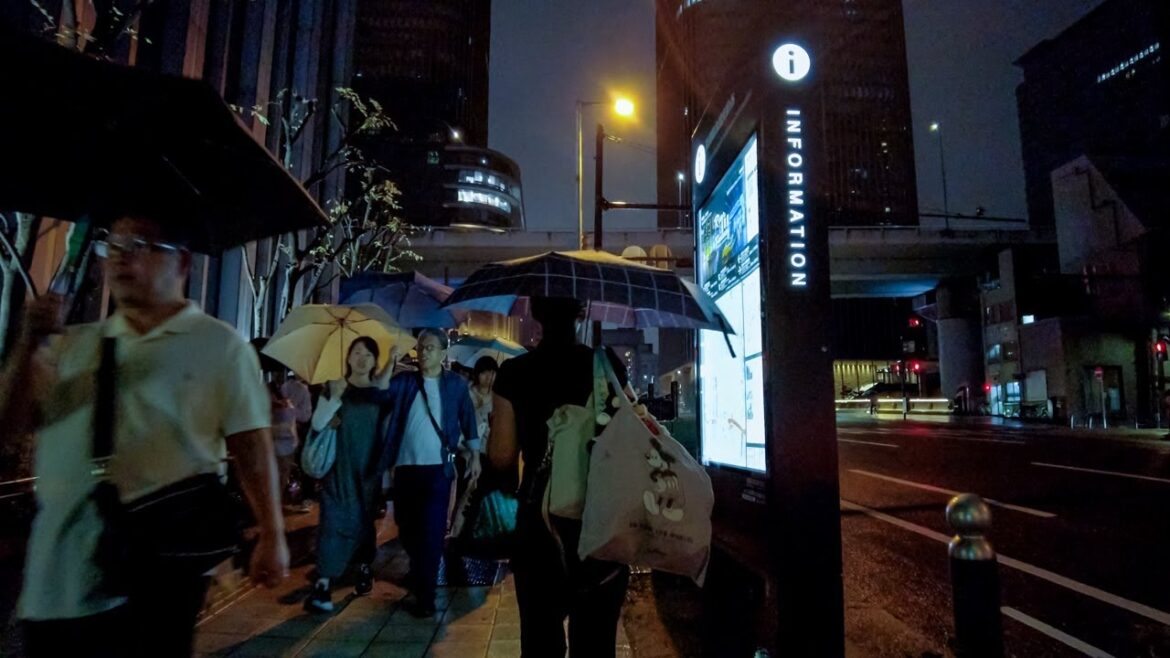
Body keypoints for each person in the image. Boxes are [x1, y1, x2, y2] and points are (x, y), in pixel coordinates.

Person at [0, 215, 289, 658]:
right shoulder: (70, 344)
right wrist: (27, 343)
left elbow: (250, 443)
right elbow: (8, 428)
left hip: (160, 577)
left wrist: (272, 533)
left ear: (183, 263)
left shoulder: (220, 345)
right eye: (110, 247)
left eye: (139, 244)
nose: (120, 258)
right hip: (56, 575)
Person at [490, 296, 630, 657]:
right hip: (601, 524)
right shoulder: (606, 365)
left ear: (535, 314)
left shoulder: (515, 372)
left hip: (539, 527)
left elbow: (502, 456)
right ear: (580, 311)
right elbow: (633, 433)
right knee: (596, 644)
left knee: (540, 642)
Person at [381, 328, 481, 617]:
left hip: (439, 467)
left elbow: (468, 420)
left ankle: (426, 594)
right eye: (421, 347)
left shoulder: (456, 385)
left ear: (443, 352)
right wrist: (389, 362)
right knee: (407, 526)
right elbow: (380, 393)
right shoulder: (405, 381)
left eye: (430, 348)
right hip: (405, 466)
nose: (424, 352)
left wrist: (475, 455)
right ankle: (419, 568)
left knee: (433, 528)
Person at [304, 336, 392, 612]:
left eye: (368, 354)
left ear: (374, 360)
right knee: (333, 520)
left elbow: (387, 430)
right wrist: (335, 400)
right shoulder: (335, 387)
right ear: (348, 357)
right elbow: (317, 423)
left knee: (363, 520)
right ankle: (323, 585)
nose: (362, 358)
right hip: (339, 468)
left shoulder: (380, 394)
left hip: (368, 469)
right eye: (356, 352)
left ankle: (364, 564)